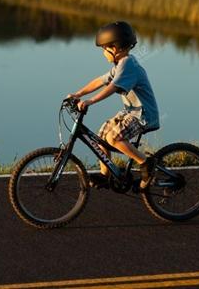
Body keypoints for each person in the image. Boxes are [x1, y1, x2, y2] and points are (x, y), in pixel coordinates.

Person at [68, 21, 160, 190]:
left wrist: (91, 101)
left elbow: (113, 87)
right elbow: (100, 81)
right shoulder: (120, 65)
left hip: (143, 115)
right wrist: (79, 94)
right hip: (131, 112)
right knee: (102, 136)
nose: (103, 53)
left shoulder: (128, 65)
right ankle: (106, 174)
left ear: (115, 47)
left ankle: (146, 163)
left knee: (114, 138)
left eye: (105, 48)